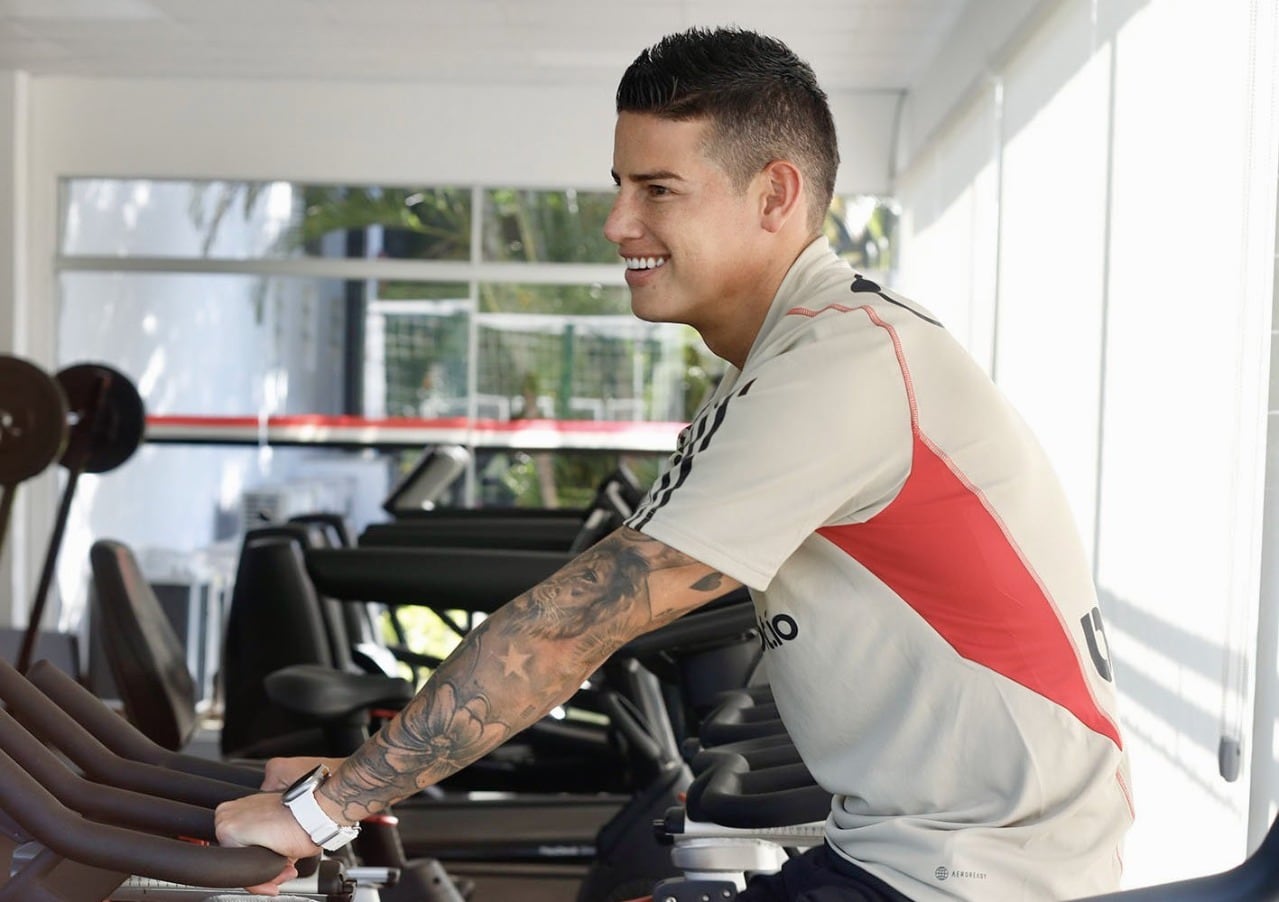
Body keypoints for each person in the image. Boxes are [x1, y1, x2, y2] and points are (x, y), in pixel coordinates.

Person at [216, 26, 1133, 901]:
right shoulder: (785, 364)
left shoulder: (840, 368)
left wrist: (326, 806)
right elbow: (599, 600)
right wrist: (354, 780)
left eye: (657, 188)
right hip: (914, 854)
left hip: (974, 877)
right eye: (619, 184)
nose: (617, 222)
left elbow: (578, 623)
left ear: (773, 195)